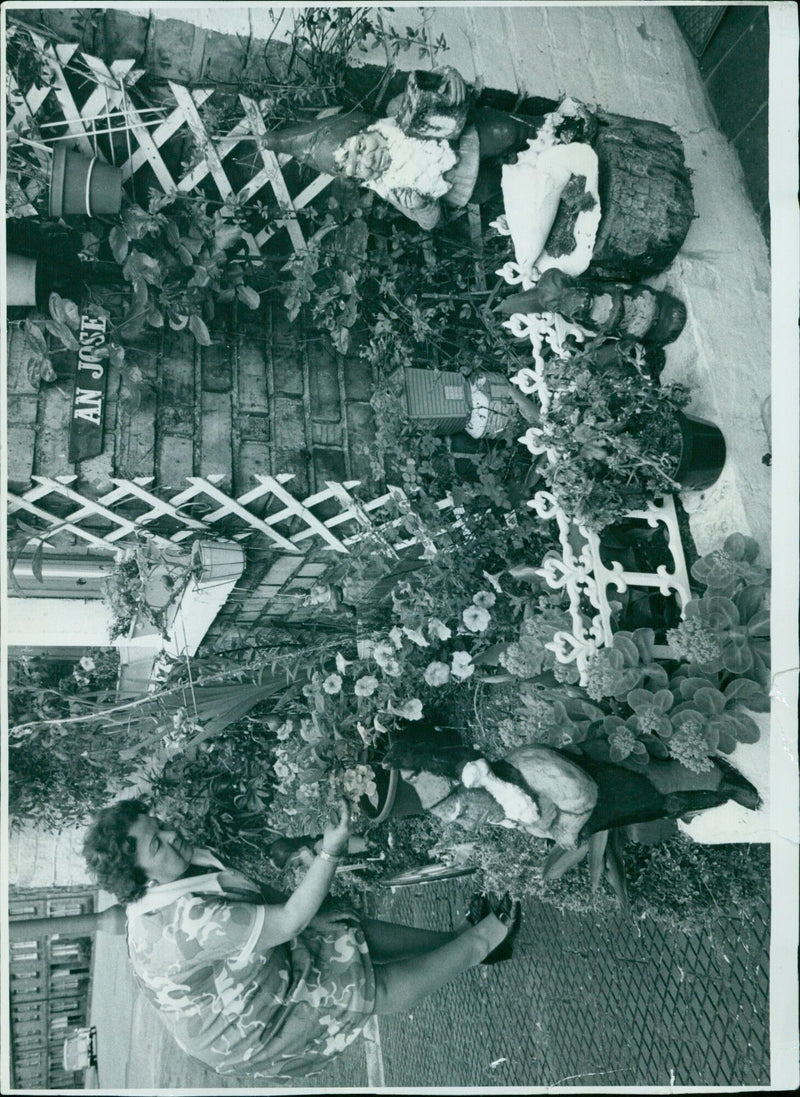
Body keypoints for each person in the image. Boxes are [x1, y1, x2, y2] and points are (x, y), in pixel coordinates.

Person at [82, 798, 520, 1082]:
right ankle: (483, 944)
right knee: (364, 991)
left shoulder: (175, 866)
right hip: (243, 1028)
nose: (172, 835)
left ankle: (459, 941)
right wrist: (330, 851)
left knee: (350, 931)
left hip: (238, 976)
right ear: (137, 878)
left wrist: (318, 911)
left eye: (161, 825)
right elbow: (288, 922)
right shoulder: (183, 922)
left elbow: (250, 895)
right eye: (157, 844)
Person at [260, 66, 567, 230]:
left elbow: (433, 84)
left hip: (471, 138)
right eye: (357, 166)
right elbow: (431, 223)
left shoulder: (397, 113)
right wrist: (421, 207)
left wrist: (450, 78)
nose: (366, 158)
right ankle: (554, 170)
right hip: (466, 186)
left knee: (505, 130)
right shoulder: (393, 188)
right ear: (360, 177)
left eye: (361, 146)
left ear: (366, 130)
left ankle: (555, 128)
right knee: (506, 183)